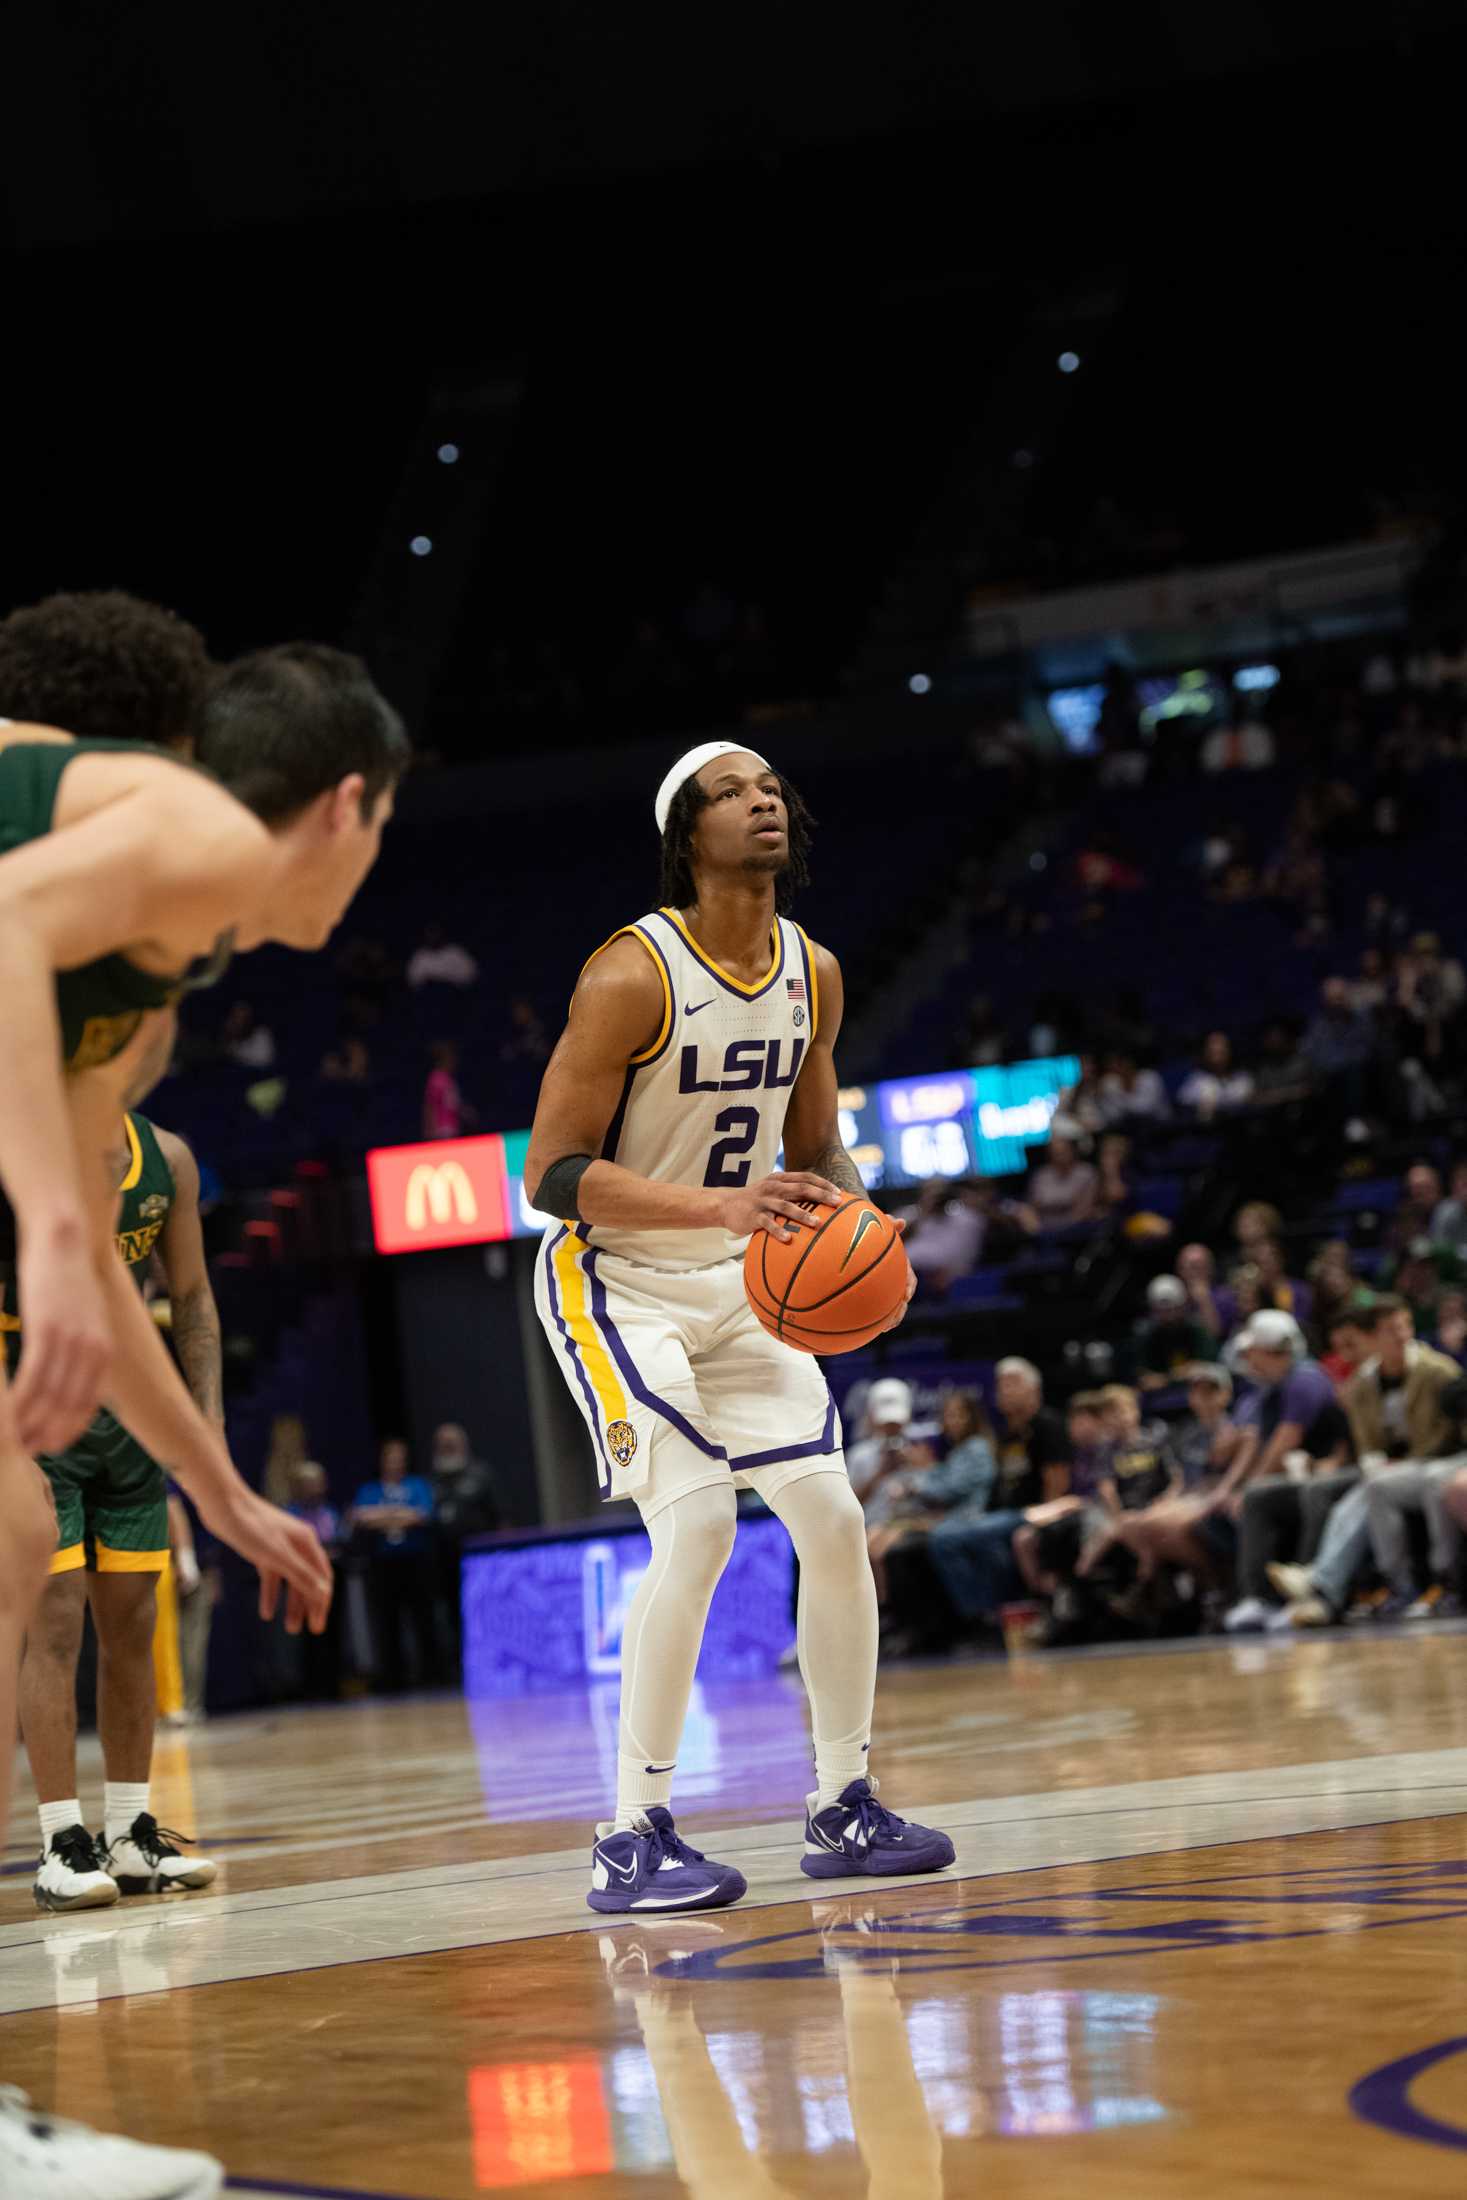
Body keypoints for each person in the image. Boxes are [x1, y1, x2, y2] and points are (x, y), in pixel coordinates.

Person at [0, 609, 408, 2200]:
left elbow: (103, 1251)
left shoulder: (162, 954)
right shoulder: (191, 831)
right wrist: (39, 1225)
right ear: (351, 806)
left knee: (20, 1520)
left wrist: (220, 1495)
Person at [522, 739, 951, 1912]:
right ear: (685, 834)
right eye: (728, 791)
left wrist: (862, 1220)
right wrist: (724, 1203)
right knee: (702, 1525)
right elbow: (548, 1174)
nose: (759, 800)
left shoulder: (815, 969)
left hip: (742, 1279)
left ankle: (843, 1805)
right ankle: (631, 1831)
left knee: (833, 1513)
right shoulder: (633, 974)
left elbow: (817, 1153)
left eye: (770, 787)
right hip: (617, 1282)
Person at [13, 1113, 223, 1909]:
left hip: (128, 1405)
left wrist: (208, 1422)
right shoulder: (22, 1150)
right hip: (32, 1393)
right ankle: (60, 1843)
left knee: (134, 1621)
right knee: (56, 1621)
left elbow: (194, 1297)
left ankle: (130, 1834)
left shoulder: (168, 1157)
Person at [1268, 1297, 1464, 1627]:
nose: (1401, 1335)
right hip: (1395, 1468)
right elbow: (1366, 1442)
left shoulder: (1439, 1370)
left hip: (1440, 1459)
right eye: (1391, 1330)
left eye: (1406, 1327)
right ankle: (1398, 1586)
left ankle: (1445, 1579)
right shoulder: (1363, 1382)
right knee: (1372, 1486)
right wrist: (1378, 1462)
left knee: (1428, 1480)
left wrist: (1399, 1462)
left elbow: (1453, 1430)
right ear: (1374, 1337)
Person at [351, 1439, 442, 1692]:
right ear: (383, 1461)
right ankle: (393, 1678)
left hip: (415, 1561)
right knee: (386, 1622)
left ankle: (432, 1675)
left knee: (423, 1618)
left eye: (400, 1458)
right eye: (391, 1458)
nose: (395, 1463)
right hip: (383, 1564)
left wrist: (384, 1515)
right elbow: (361, 1517)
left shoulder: (417, 1485)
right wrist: (400, 1514)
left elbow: (422, 1514)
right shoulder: (369, 1489)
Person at [429, 1422, 500, 1669]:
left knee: (484, 1611)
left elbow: (500, 1514)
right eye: (443, 1444)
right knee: (451, 1614)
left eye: (452, 1443)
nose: (447, 1448)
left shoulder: (481, 1474)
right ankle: (460, 1666)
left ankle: (491, 1662)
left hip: (479, 1559)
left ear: (463, 1445)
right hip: (446, 1559)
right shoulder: (432, 1481)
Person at [1135, 1274, 1219, 1390]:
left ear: (1183, 1305)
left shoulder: (1196, 1330)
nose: (1169, 1315)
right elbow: (1145, 1377)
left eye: (1172, 1308)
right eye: (1162, 1310)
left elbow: (1207, 1366)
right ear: (1153, 1309)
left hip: (1195, 1390)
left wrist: (1167, 1378)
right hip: (1161, 1397)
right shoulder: (1148, 1336)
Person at [1025, 1124, 1097, 1231]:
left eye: (1063, 1152)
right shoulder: (1041, 1175)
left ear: (1073, 1150)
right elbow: (1033, 1206)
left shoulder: (1086, 1173)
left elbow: (1085, 1208)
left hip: (1077, 1228)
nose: (1059, 1156)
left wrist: (1065, 1228)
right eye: (1055, 1152)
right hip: (1043, 1229)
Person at [1177, 1032, 1255, 1118]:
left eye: (1221, 1051)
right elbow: (1184, 1109)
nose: (1217, 1056)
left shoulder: (1243, 1079)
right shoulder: (1196, 1081)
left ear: (1230, 1051)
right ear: (1205, 1052)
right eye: (1212, 1051)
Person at [406, 919, 479, 989]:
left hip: (454, 994)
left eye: (435, 932)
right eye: (430, 933)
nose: (433, 936)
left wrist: (447, 980)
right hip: (428, 995)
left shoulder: (456, 952)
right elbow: (413, 980)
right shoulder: (420, 955)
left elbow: (471, 975)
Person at [423, 1039, 473, 1139]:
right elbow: (429, 1105)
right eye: (451, 1057)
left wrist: (466, 1112)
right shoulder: (436, 1078)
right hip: (441, 1131)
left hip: (452, 1128)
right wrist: (430, 1129)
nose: (454, 1061)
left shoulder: (449, 1079)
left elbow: (453, 1103)